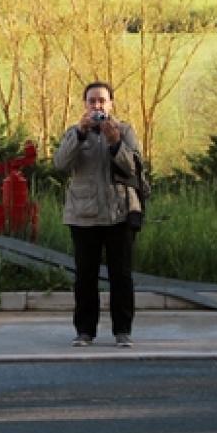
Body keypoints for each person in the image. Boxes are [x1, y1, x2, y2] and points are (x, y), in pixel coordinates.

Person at [53, 81, 145, 348]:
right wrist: (80, 134)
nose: (97, 106)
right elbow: (60, 163)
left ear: (111, 104)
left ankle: (122, 331)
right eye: (92, 101)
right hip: (83, 214)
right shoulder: (75, 132)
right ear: (85, 105)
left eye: (102, 101)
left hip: (119, 213)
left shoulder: (125, 130)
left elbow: (133, 168)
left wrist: (115, 142)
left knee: (121, 275)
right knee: (85, 276)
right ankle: (84, 331)